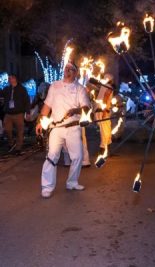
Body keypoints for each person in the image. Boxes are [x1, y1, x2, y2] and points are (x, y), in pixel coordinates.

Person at [36, 61, 90, 198]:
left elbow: (86, 108)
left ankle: (72, 182)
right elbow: (47, 106)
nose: (68, 70)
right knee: (52, 156)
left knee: (77, 156)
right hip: (56, 128)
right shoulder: (55, 86)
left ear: (76, 73)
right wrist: (39, 121)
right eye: (66, 68)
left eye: (71, 69)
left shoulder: (80, 89)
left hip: (73, 127)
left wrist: (75, 110)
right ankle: (47, 187)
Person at [0, 74, 31, 154]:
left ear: (15, 79)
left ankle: (18, 148)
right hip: (8, 113)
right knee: (7, 130)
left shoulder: (22, 89)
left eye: (10, 78)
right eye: (9, 78)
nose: (9, 80)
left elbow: (27, 100)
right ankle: (11, 142)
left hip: (19, 113)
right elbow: (1, 94)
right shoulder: (6, 89)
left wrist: (28, 112)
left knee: (20, 131)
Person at [92, 73, 115, 154]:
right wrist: (105, 111)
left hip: (101, 111)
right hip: (103, 111)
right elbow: (105, 99)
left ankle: (107, 149)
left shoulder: (103, 86)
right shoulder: (108, 87)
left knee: (106, 129)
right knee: (105, 130)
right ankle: (103, 150)